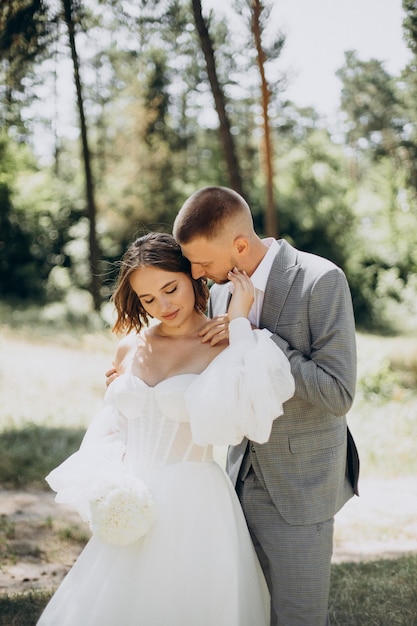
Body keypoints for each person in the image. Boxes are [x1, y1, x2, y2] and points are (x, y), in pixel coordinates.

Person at [37, 232, 295, 626]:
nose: (163, 305)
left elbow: (250, 412)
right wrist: (109, 481)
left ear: (192, 277)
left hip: (195, 501)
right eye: (148, 299)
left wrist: (241, 322)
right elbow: (114, 426)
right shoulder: (128, 348)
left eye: (170, 288)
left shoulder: (222, 343)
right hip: (132, 495)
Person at [172, 186, 360, 626]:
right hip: (237, 481)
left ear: (239, 245)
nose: (196, 273)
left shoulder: (321, 280)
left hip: (302, 486)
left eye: (202, 261)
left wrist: (253, 337)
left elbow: (338, 392)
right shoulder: (219, 292)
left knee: (297, 616)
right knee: (248, 612)